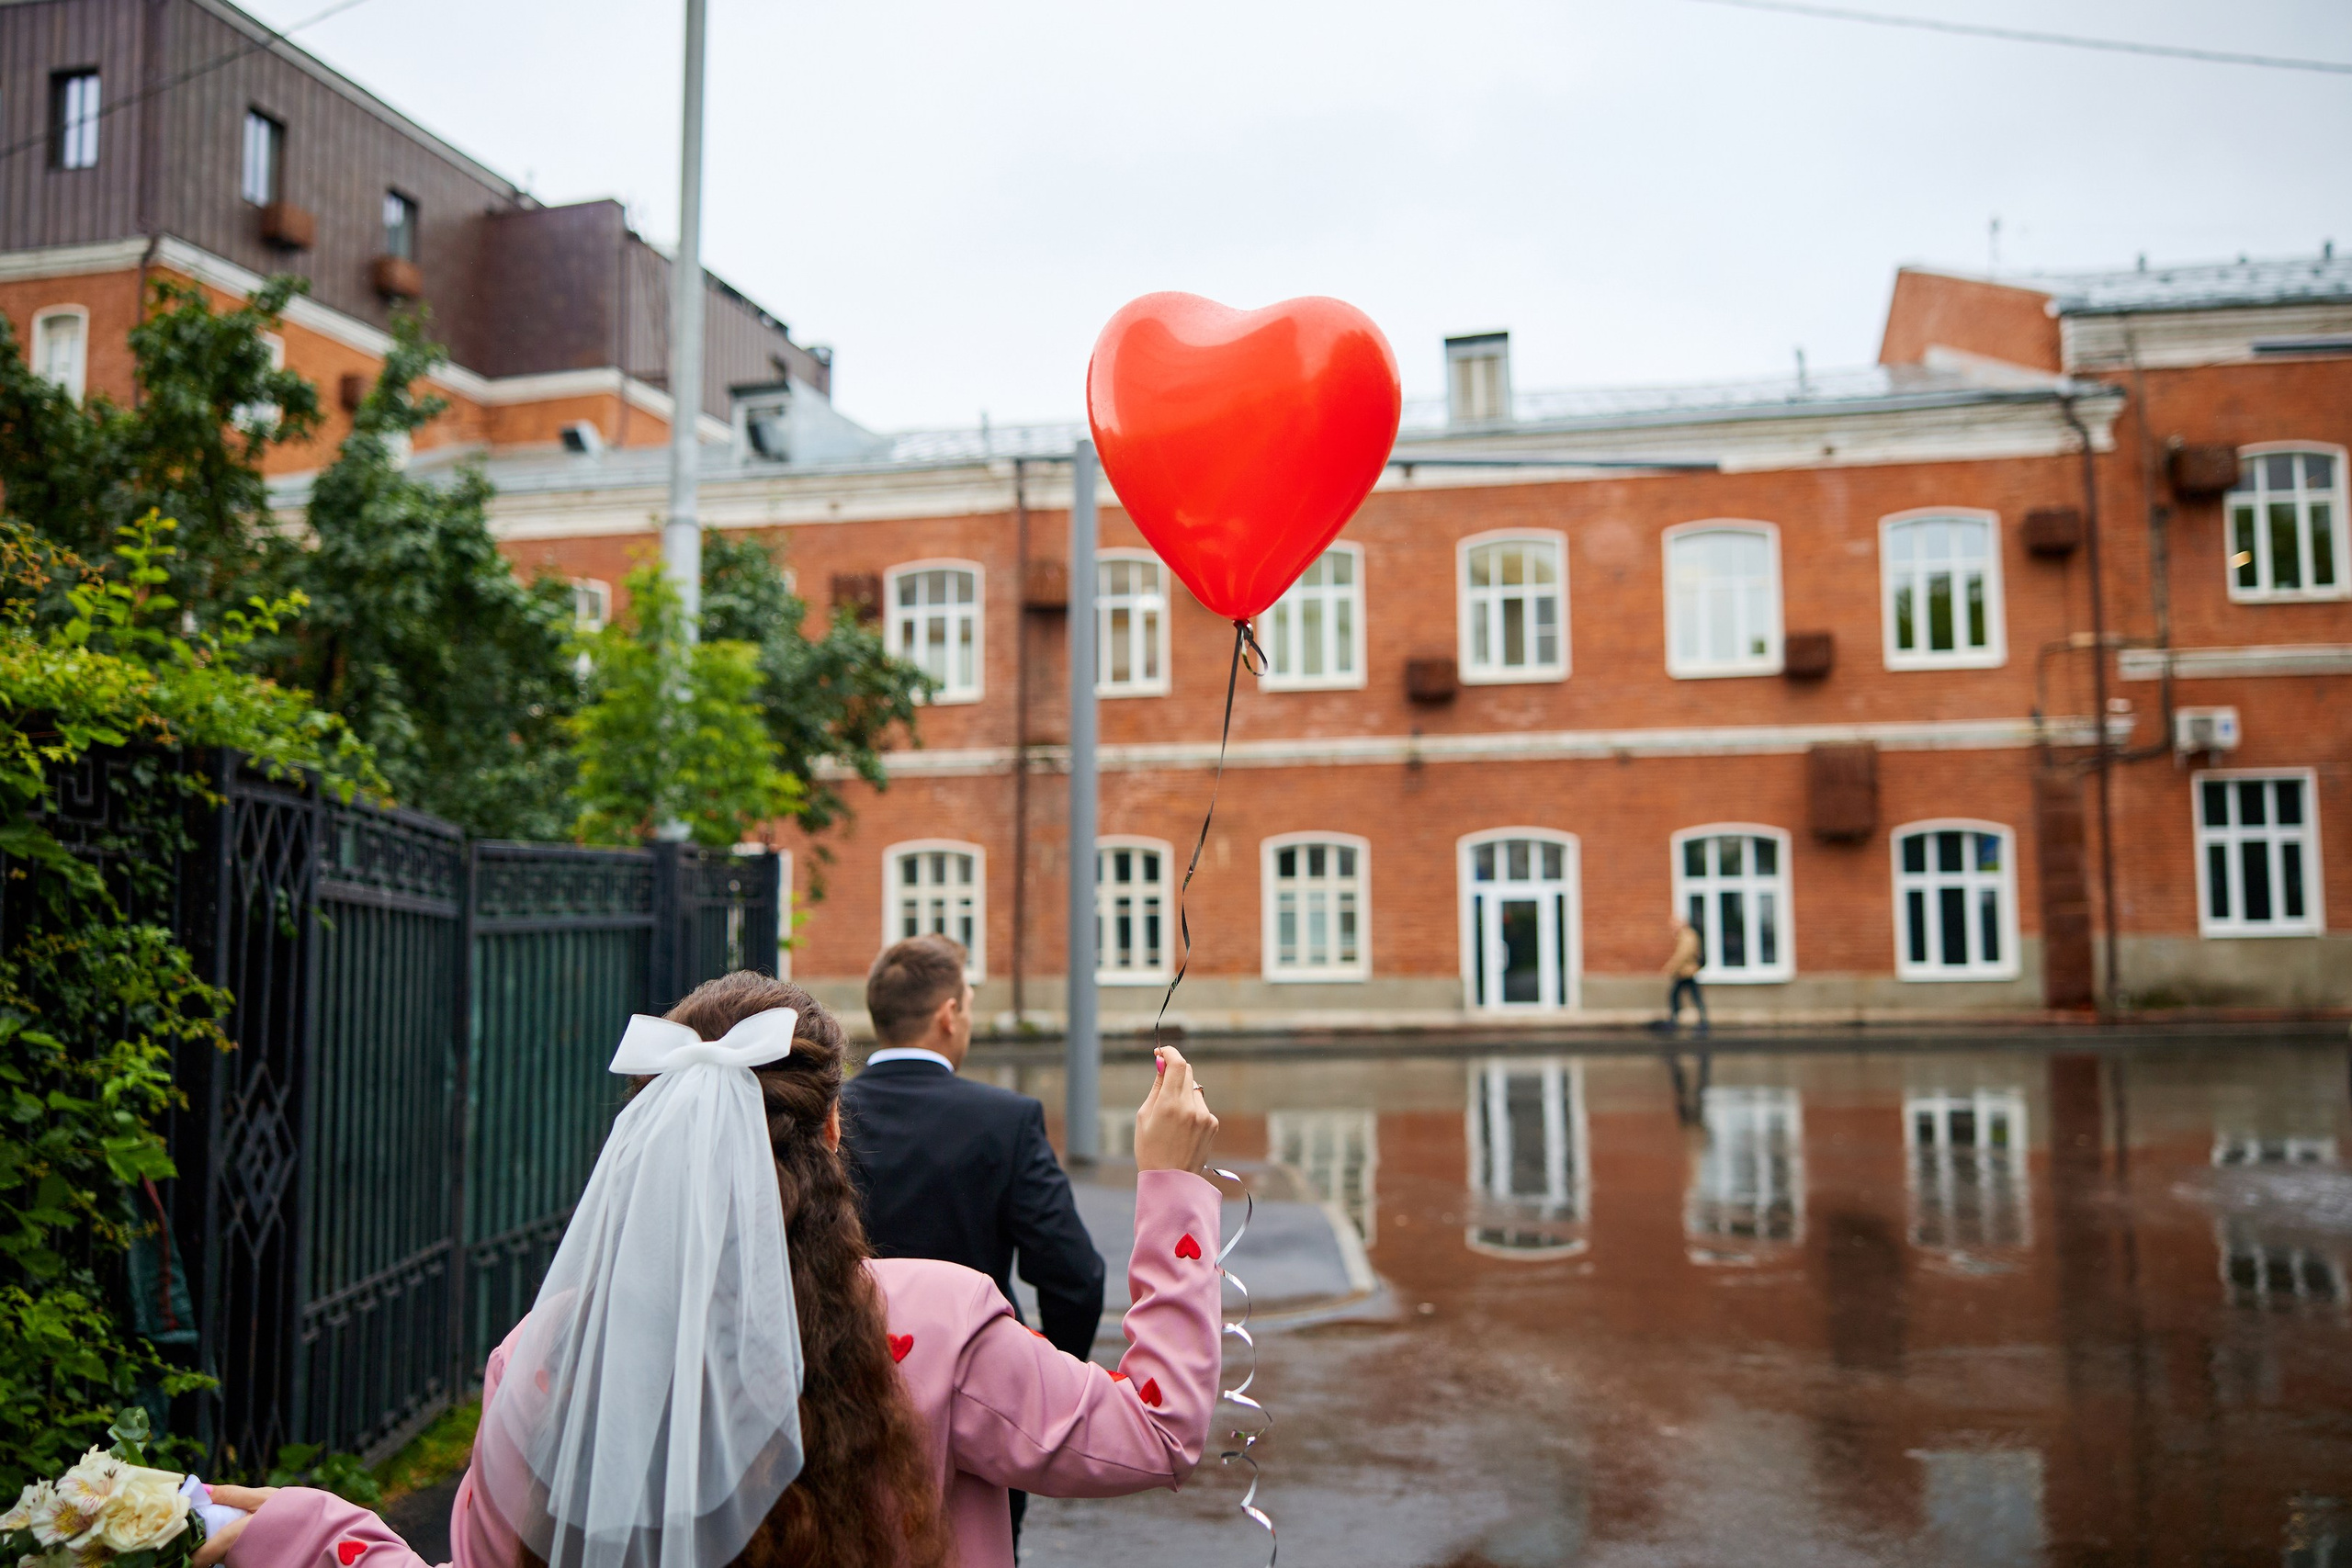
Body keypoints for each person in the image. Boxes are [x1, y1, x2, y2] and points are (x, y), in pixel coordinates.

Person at [187, 972, 1224, 1568]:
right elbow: (1158, 1432)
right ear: (830, 1127)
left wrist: (304, 1531)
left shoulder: (543, 1363)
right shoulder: (940, 1326)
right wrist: (1168, 1186)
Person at [840, 934, 1107, 1547]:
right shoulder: (1005, 1120)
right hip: (975, 1405)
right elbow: (1074, 1274)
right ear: (948, 1014)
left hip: (844, 1400)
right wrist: (1039, 1382)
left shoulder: (828, 1115)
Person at [1663, 915, 1709, 1034]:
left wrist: (1671, 968)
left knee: (1678, 995)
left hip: (1686, 972)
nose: (1672, 927)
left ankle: (1677, 1020)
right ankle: (1699, 1020)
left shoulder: (1687, 936)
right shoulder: (1685, 935)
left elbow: (1683, 955)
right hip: (1685, 972)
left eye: (1674, 924)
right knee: (1686, 995)